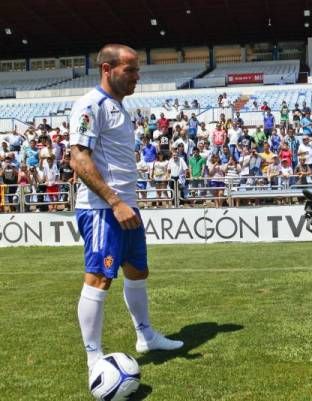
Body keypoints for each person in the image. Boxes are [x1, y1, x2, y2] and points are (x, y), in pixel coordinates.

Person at [69, 44, 183, 372]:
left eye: (137, 70)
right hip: (104, 209)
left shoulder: (118, 106)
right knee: (99, 278)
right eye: (129, 70)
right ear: (107, 69)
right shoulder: (91, 104)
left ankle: (145, 335)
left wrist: (126, 201)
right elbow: (79, 158)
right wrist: (115, 201)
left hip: (125, 206)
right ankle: (93, 357)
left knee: (137, 271)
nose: (137, 77)